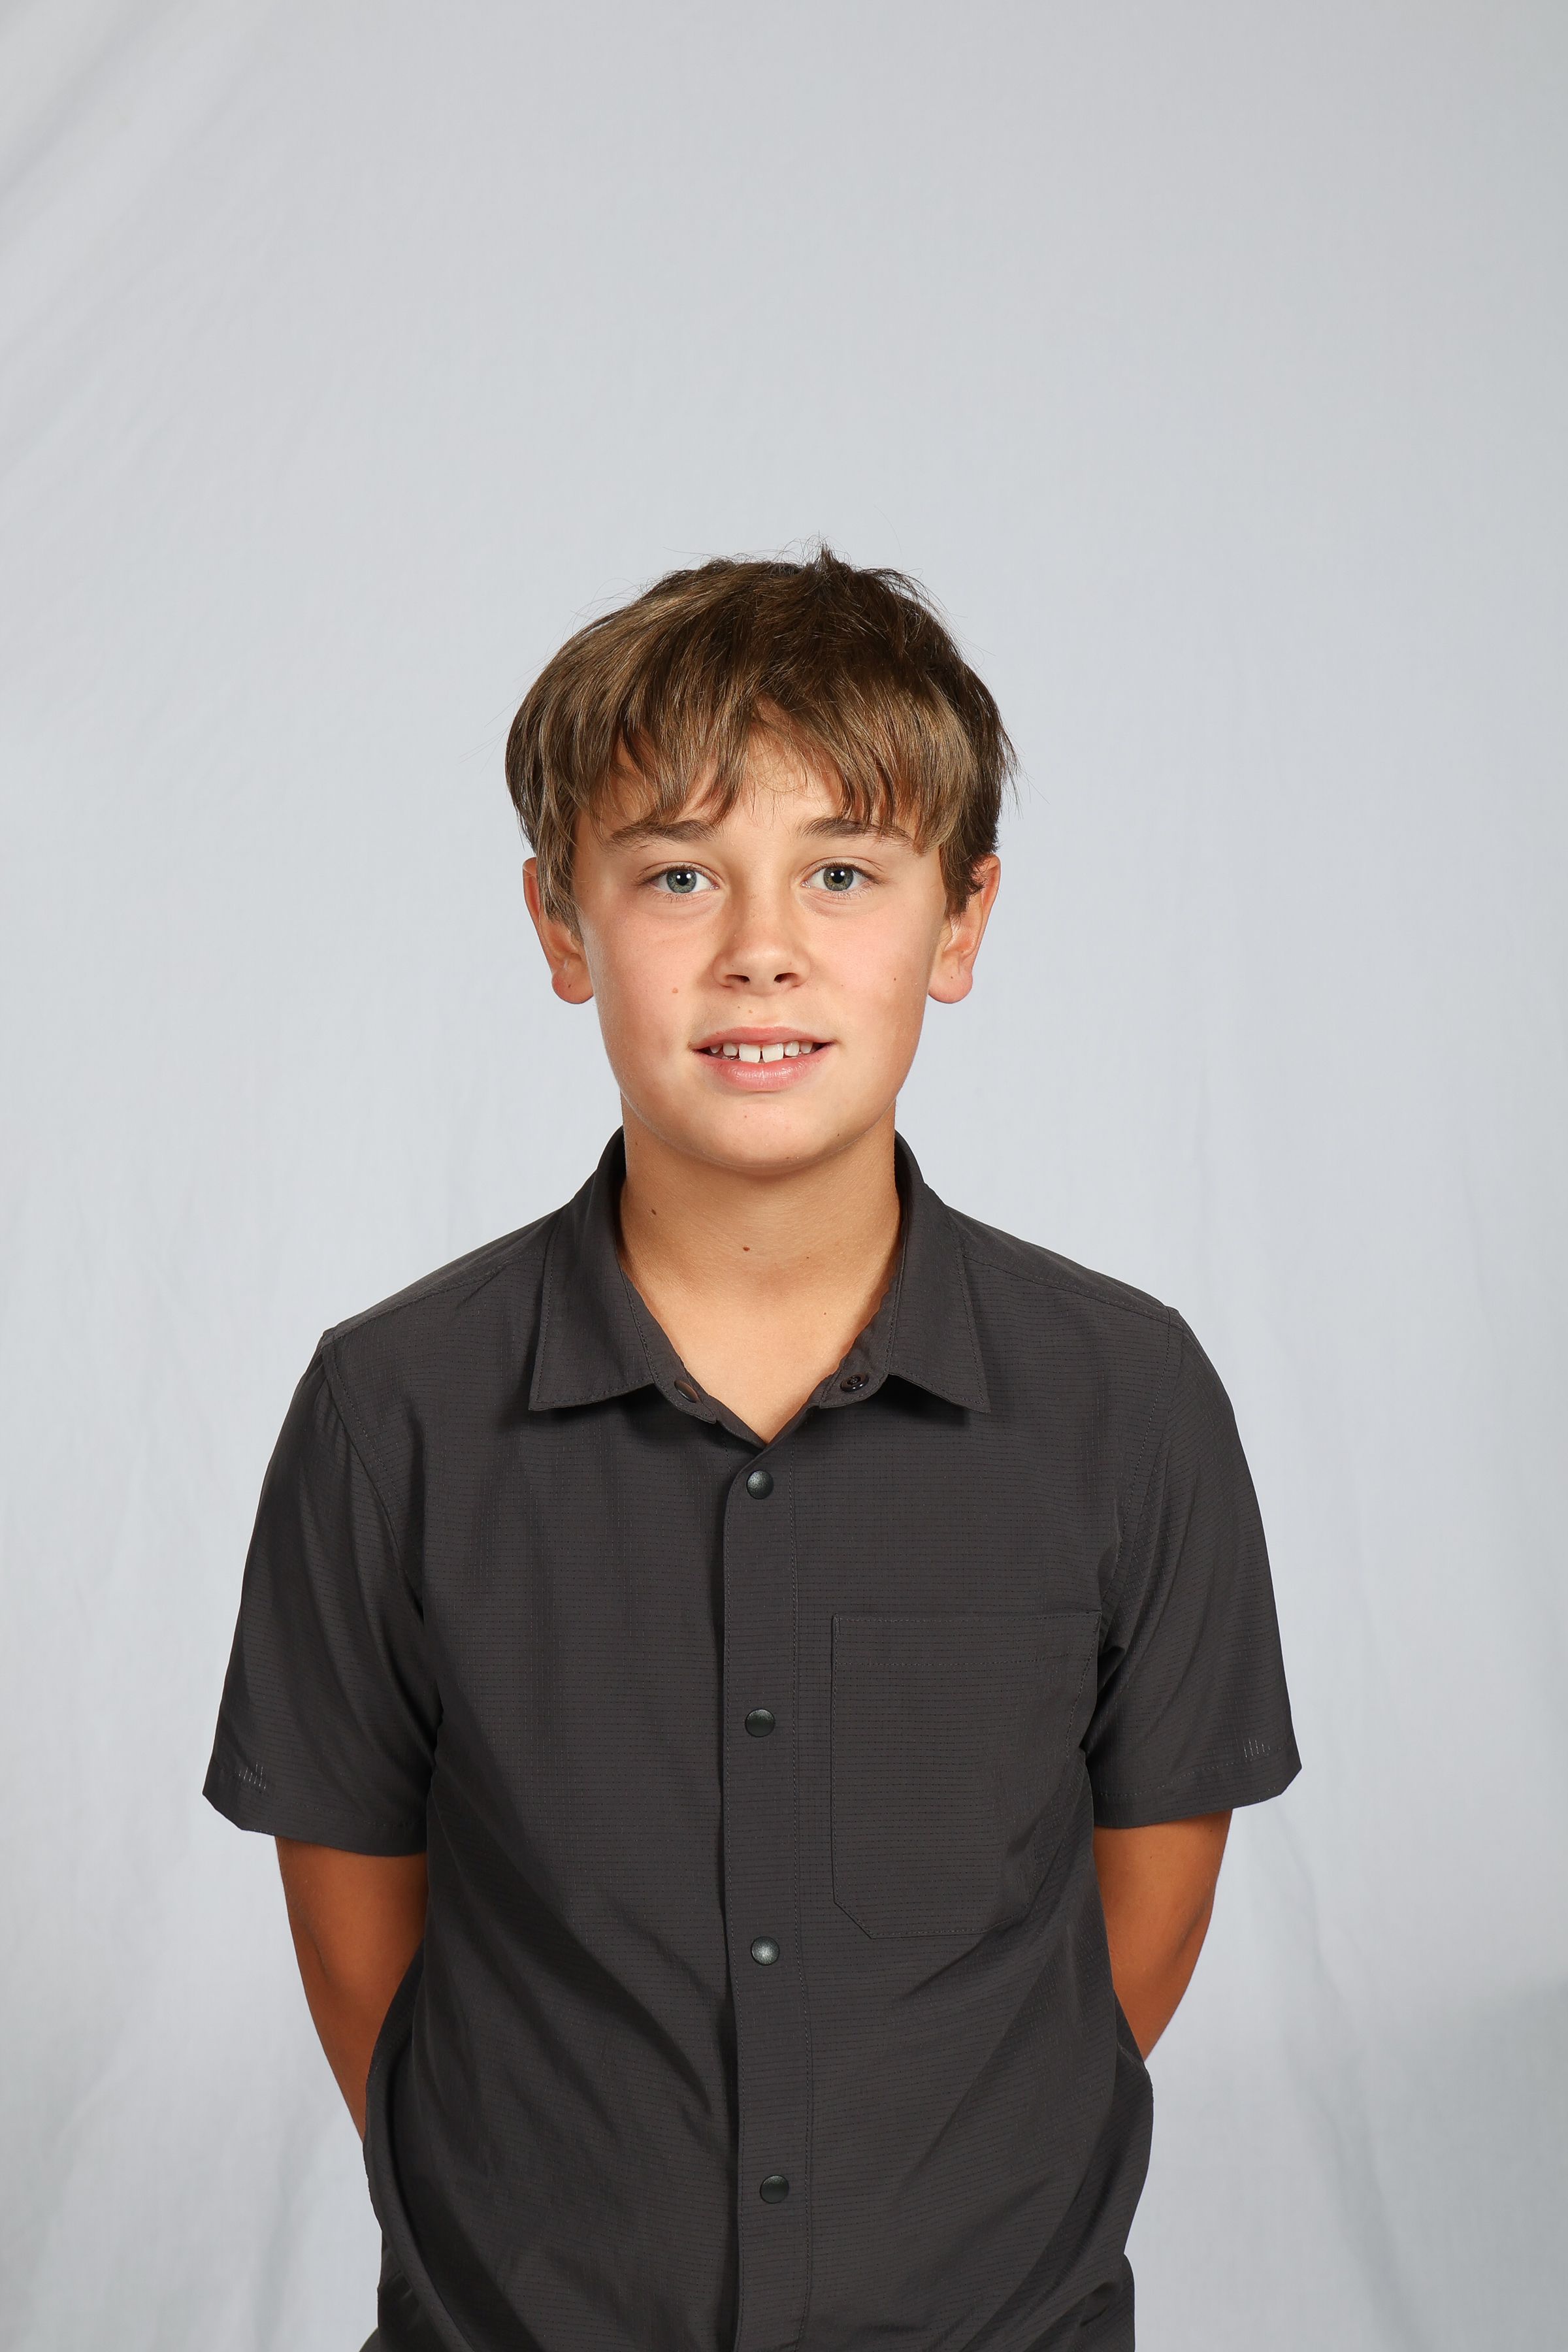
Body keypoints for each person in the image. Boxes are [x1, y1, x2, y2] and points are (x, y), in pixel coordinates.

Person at [204, 549, 1299, 2352]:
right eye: (678, 874)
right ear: (562, 926)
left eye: (844, 872)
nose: (761, 948)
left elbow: (1139, 1921)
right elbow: (355, 1935)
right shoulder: (391, 1411)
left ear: (963, 922)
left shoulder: (1128, 1400)